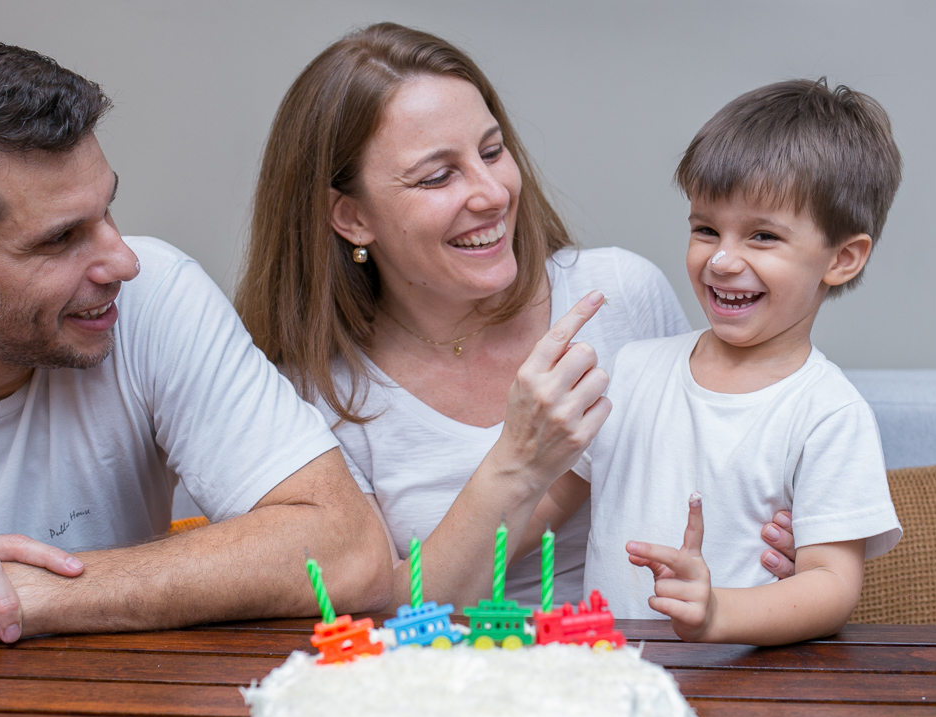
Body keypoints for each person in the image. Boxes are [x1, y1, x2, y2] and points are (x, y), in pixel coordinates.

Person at [0, 32, 390, 665]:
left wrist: (3, 598)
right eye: (59, 240)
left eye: (107, 209)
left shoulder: (155, 297)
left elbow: (350, 550)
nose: (123, 262)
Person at [235, 22, 796, 610]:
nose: (494, 194)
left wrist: (777, 542)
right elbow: (382, 612)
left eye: (491, 151)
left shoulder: (622, 294)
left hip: (652, 653)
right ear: (352, 217)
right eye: (437, 176)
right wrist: (521, 461)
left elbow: (718, 469)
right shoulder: (314, 395)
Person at [559, 79, 903, 644]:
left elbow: (832, 585)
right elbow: (546, 499)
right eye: (706, 229)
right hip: (610, 673)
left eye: (762, 236)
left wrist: (717, 611)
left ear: (842, 258)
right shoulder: (632, 370)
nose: (721, 260)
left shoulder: (828, 412)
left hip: (740, 683)